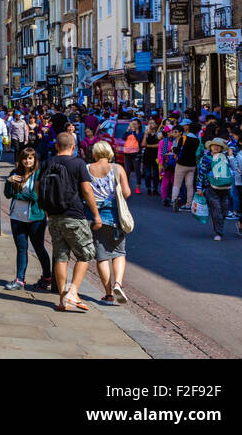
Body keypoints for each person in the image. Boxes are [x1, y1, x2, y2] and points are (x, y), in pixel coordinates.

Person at [45, 131, 100, 312]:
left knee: (61, 256)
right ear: (73, 147)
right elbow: (86, 190)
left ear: (56, 146)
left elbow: (39, 187)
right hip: (74, 214)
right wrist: (96, 215)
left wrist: (46, 208)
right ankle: (73, 292)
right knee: (86, 254)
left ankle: (63, 299)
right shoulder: (78, 163)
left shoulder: (49, 162)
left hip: (53, 215)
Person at [86, 140, 131, 305]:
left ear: (95, 153)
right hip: (114, 217)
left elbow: (84, 191)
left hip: (95, 216)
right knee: (119, 252)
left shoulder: (87, 168)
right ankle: (118, 284)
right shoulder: (117, 168)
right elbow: (126, 192)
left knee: (102, 255)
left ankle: (108, 293)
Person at [4, 146, 52, 292]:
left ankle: (47, 276)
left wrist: (16, 195)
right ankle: (20, 280)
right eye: (25, 158)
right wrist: (8, 181)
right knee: (21, 248)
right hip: (17, 216)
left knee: (38, 247)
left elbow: (34, 196)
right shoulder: (15, 173)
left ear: (35, 160)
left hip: (36, 217)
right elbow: (7, 194)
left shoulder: (38, 175)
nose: (27, 161)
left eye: (30, 158)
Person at [198, 138, 235, 241]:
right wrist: (199, 187)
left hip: (225, 187)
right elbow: (201, 173)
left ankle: (219, 228)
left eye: (218, 145)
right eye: (214, 145)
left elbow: (233, 167)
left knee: (224, 210)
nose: (216, 147)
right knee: (216, 210)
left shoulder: (225, 157)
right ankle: (218, 232)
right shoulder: (206, 158)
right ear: (210, 146)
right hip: (211, 187)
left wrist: (228, 143)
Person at [171, 119, 201, 211]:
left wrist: (173, 148)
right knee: (190, 185)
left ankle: (174, 200)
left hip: (181, 163)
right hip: (192, 165)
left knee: (177, 183)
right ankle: (188, 204)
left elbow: (178, 150)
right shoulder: (197, 140)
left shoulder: (184, 138)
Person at [142, 119, 161, 196]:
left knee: (156, 173)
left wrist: (149, 146)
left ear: (155, 125)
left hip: (156, 155)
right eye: (149, 123)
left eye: (152, 123)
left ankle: (155, 189)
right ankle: (149, 188)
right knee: (147, 173)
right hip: (147, 155)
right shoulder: (146, 133)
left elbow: (159, 145)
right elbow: (143, 144)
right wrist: (145, 134)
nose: (151, 125)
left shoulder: (158, 133)